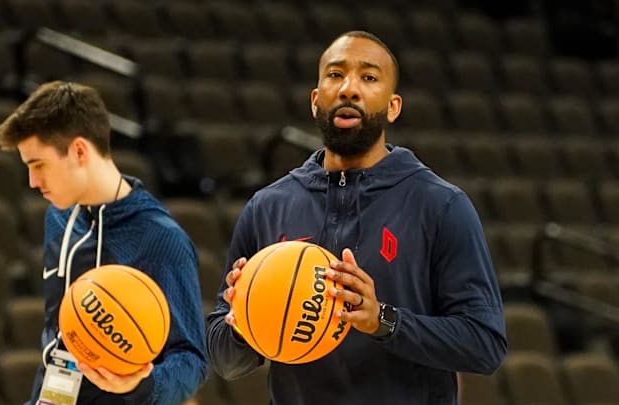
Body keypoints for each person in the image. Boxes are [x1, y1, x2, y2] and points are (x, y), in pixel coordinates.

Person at [206, 31, 507, 404]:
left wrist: (383, 320)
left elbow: (484, 344)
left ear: (393, 106)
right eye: (335, 75)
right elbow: (223, 360)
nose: (349, 88)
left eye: (368, 77)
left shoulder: (441, 206)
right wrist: (244, 322)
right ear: (316, 102)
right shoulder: (268, 206)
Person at [0, 81, 207, 405]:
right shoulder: (58, 217)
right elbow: (62, 343)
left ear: (79, 151)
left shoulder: (161, 239)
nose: (33, 182)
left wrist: (141, 385)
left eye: (38, 165)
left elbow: (192, 361)